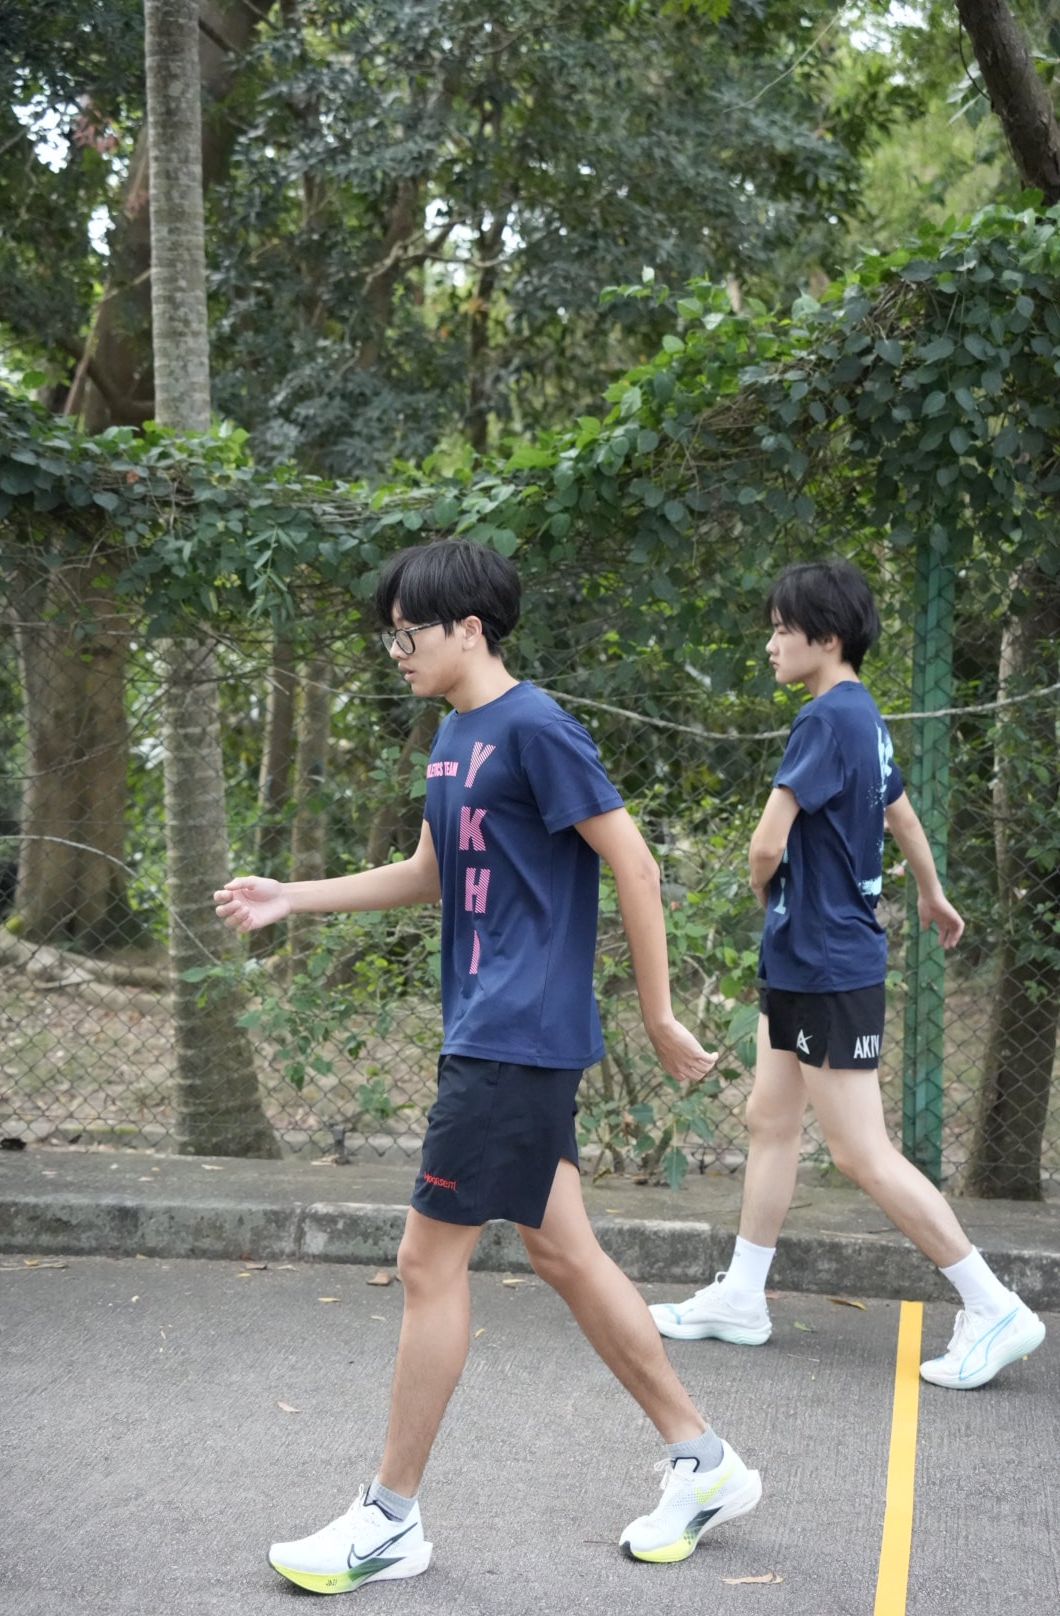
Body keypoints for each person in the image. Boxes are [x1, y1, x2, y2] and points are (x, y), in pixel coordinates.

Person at [215, 538, 761, 1595]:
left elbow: (634, 862)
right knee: (564, 1253)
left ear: (470, 628)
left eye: (409, 632)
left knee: (428, 1265)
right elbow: (434, 869)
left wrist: (656, 1013)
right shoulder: (455, 733)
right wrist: (293, 894)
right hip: (491, 1029)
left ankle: (390, 1519)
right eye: (390, 635)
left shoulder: (537, 727)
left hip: (514, 1033)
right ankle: (704, 1461)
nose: (397, 650)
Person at [650, 558, 1046, 1391]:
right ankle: (742, 1297)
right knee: (769, 1118)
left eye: (781, 630)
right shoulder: (863, 717)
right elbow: (902, 815)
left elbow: (766, 843)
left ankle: (993, 1305)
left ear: (825, 638)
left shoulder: (824, 718)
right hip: (806, 959)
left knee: (862, 1152)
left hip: (827, 960)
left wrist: (766, 888)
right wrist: (931, 893)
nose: (770, 645)